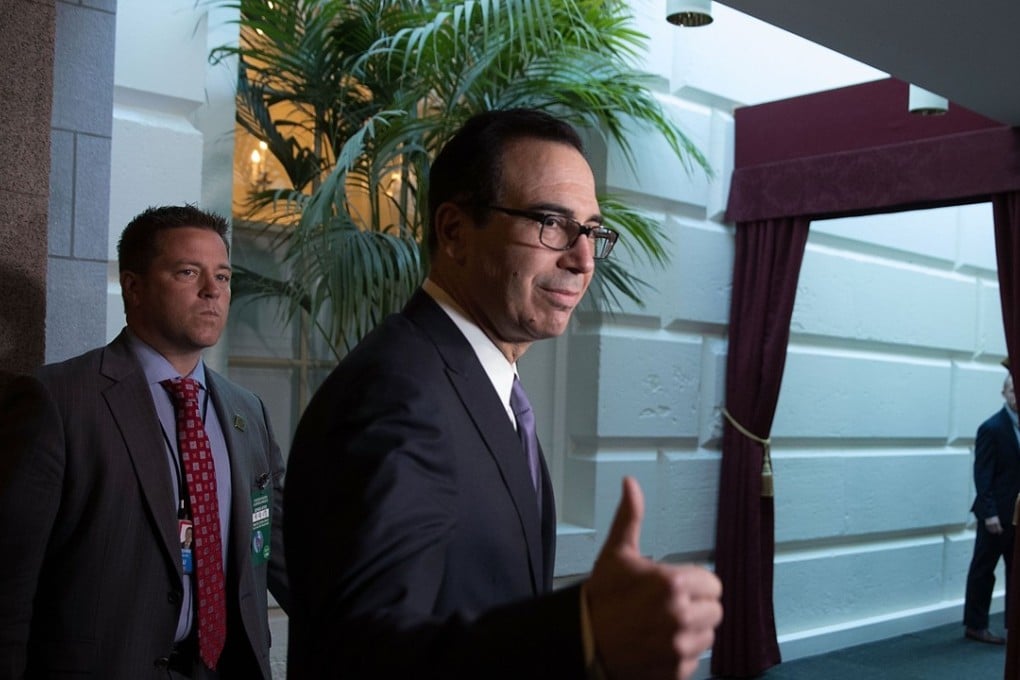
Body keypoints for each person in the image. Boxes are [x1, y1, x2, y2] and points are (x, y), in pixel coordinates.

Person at [284, 108, 723, 679]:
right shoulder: (399, 395)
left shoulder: (480, 384)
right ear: (455, 231)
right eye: (550, 222)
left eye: (590, 230)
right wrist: (585, 630)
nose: (582, 259)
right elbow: (359, 655)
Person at [0, 205, 289, 679]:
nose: (212, 291)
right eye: (188, 272)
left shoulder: (247, 411)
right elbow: (9, 590)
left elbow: (279, 551)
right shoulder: (58, 402)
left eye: (222, 276)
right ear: (133, 286)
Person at [963, 373, 1020, 644]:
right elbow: (982, 475)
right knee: (984, 569)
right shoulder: (992, 428)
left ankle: (1014, 625)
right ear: (1003, 393)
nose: (1016, 395)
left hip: (1018, 514)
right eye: (1012, 390)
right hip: (996, 515)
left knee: (1016, 571)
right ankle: (975, 625)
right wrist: (990, 513)